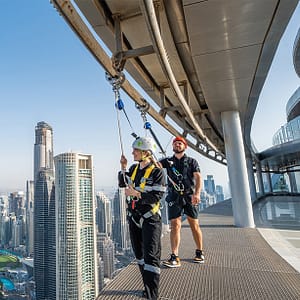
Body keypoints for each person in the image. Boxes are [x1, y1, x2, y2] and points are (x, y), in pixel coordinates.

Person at [119, 136, 166, 299]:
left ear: (146, 153)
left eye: (136, 150)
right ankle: (147, 288)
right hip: (134, 217)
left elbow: (157, 195)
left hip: (150, 218)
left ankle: (153, 295)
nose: (133, 152)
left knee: (151, 256)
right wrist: (123, 168)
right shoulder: (133, 169)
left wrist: (136, 194)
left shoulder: (157, 172)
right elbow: (123, 183)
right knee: (139, 255)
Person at [160, 136, 204, 268]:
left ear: (185, 146)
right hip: (174, 197)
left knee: (194, 224)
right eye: (175, 143)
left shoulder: (192, 162)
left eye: (180, 143)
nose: (177, 145)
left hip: (189, 196)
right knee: (175, 225)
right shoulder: (167, 161)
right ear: (172, 146)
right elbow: (154, 166)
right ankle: (174, 256)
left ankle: (200, 252)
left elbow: (198, 177)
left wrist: (197, 193)